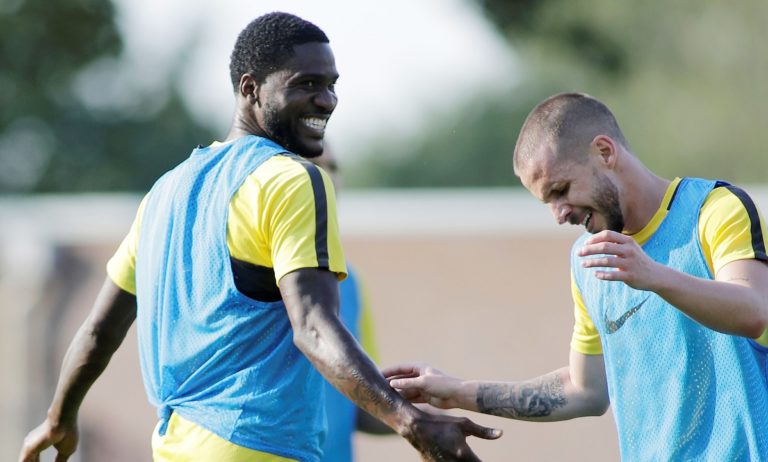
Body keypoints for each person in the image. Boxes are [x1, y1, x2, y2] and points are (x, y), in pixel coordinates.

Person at [18, 12, 501, 462]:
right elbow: (313, 328)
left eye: (331, 85)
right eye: (306, 84)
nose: (327, 100)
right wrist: (412, 424)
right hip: (260, 445)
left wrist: (59, 418)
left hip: (174, 448)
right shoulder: (291, 179)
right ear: (250, 88)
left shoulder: (164, 192)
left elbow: (99, 330)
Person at [385, 92, 768, 460]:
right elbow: (584, 389)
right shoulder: (589, 262)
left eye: (561, 190)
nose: (559, 214)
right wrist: (456, 392)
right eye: (548, 201)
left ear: (604, 152)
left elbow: (753, 311)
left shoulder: (713, 210)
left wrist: (652, 274)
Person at [309, 148, 395, 462]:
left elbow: (355, 401)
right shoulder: (253, 276)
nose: (326, 177)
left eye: (332, 166)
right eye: (312, 166)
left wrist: (422, 415)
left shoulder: (351, 282)